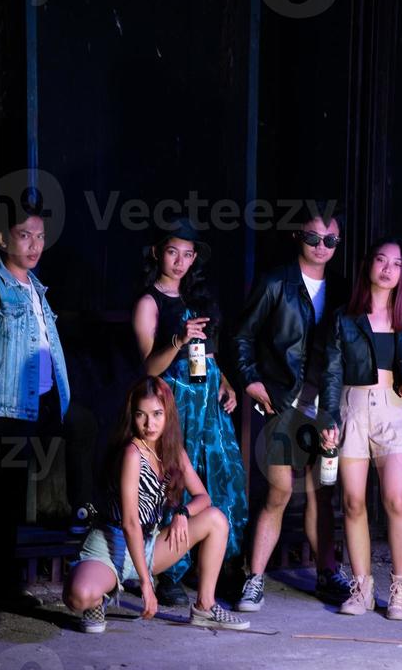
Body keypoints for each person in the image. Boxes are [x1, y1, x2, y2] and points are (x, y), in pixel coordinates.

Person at [232, 201, 351, 612]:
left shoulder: (344, 289)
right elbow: (241, 336)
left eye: (330, 240)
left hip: (329, 405)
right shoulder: (275, 283)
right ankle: (254, 578)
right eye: (315, 237)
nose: (322, 246)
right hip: (285, 401)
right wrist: (251, 380)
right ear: (298, 236)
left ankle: (326, 574)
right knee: (280, 491)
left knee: (322, 493)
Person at [63, 376, 249, 632]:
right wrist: (147, 587)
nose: (150, 424)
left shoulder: (172, 450)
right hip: (111, 544)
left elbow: (203, 497)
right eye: (142, 415)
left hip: (148, 545)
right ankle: (98, 596)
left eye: (157, 414)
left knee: (216, 519)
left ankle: (205, 607)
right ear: (132, 416)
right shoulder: (132, 453)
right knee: (78, 596)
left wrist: (182, 513)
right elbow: (130, 523)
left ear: (168, 414)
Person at [319, 237, 402, 620]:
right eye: (381, 261)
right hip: (352, 408)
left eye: (397, 264)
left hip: (393, 409)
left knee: (397, 500)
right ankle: (361, 587)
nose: (388, 269)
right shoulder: (344, 318)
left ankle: (400, 589)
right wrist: (329, 419)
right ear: (368, 265)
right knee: (352, 502)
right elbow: (332, 372)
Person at [132, 217, 247, 606]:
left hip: (207, 407)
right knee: (175, 482)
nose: (179, 261)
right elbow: (149, 367)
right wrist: (178, 339)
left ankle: (221, 567)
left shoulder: (199, 298)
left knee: (222, 479)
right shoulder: (149, 302)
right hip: (174, 405)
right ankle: (167, 572)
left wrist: (227, 384)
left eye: (187, 254)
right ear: (157, 253)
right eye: (172, 252)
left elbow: (210, 356)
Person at [0, 206, 70, 606]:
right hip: (8, 406)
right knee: (5, 498)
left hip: (42, 401)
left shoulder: (36, 287)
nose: (35, 245)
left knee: (40, 479)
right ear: (3, 239)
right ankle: (3, 587)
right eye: (25, 235)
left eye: (40, 236)